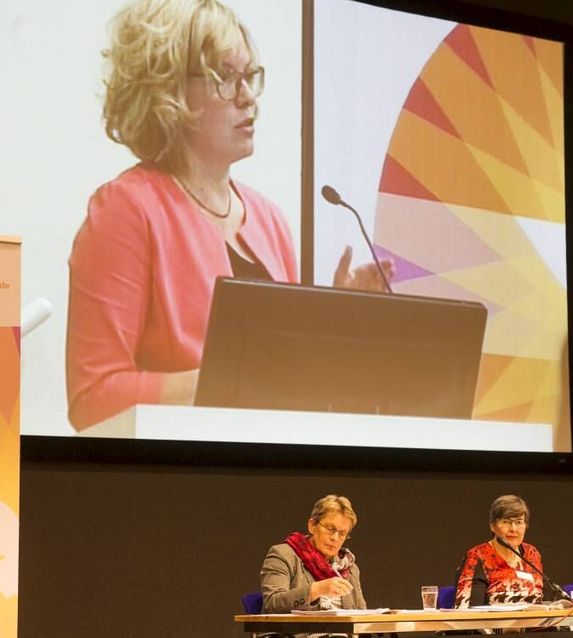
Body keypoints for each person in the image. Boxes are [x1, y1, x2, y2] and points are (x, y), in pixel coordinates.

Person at [66, 0, 392, 430]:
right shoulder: (124, 211)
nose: (248, 96)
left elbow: (286, 382)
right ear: (168, 90)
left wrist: (335, 325)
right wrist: (226, 383)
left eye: (251, 76)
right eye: (225, 78)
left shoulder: (269, 220)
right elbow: (93, 398)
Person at [261, 494, 367, 612]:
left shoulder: (348, 567)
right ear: (312, 526)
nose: (335, 538)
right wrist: (316, 589)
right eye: (330, 529)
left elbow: (361, 613)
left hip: (343, 631)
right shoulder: (284, 555)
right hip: (299, 631)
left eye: (342, 533)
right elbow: (272, 604)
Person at [454, 495, 545, 608]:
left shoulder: (531, 554)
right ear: (493, 526)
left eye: (519, 522)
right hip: (491, 625)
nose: (513, 529)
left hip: (533, 625)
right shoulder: (478, 556)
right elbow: (467, 610)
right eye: (506, 522)